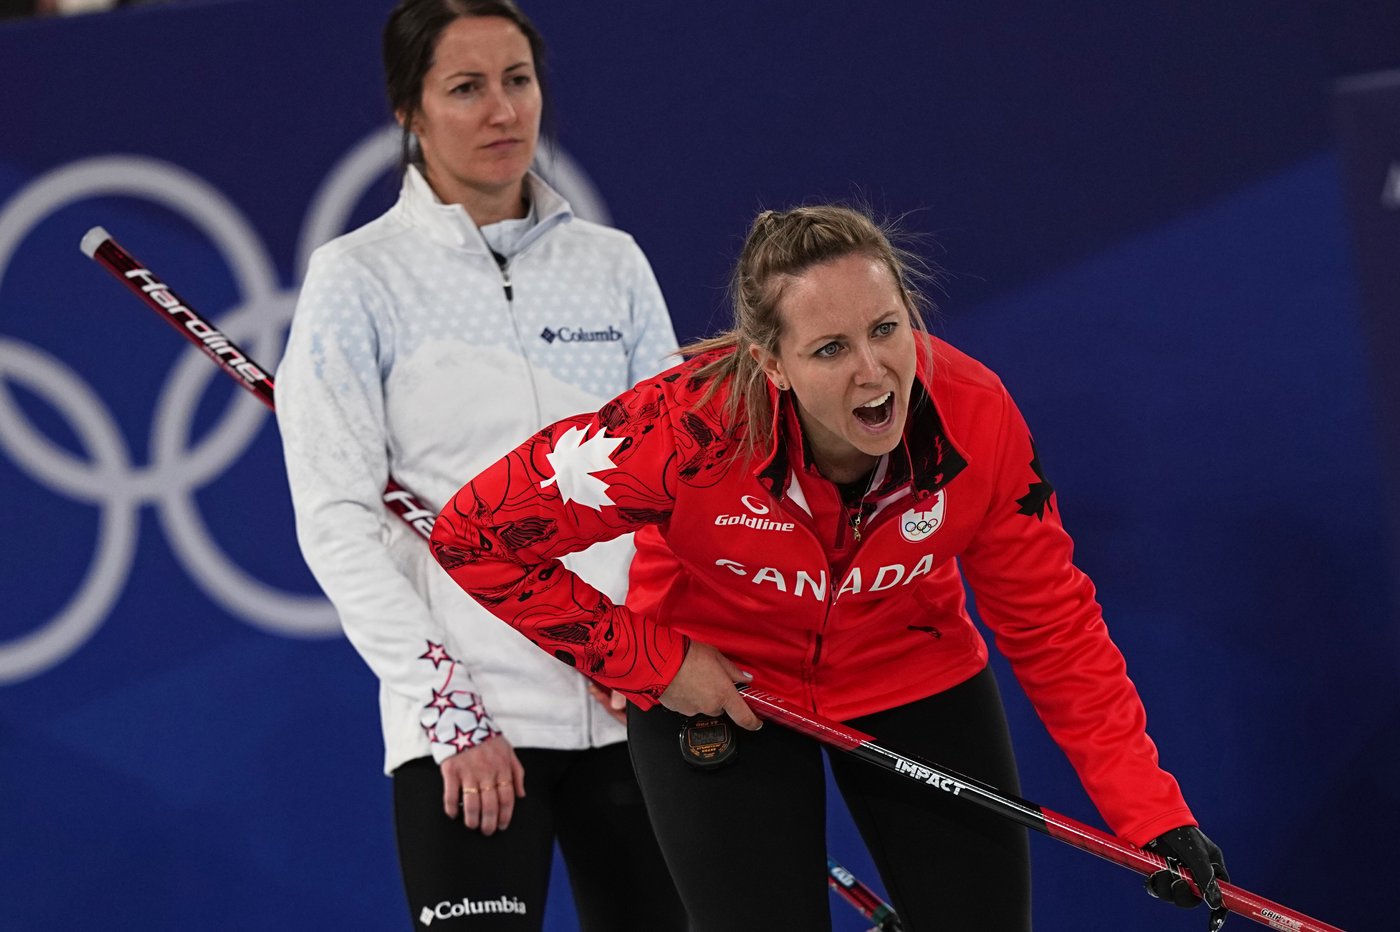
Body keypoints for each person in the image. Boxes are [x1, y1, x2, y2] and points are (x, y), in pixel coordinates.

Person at [429, 204, 1231, 931]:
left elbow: (1054, 625)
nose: (873, 372)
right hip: (719, 687)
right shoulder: (680, 431)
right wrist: (650, 661)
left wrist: (1149, 814)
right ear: (772, 364)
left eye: (887, 329)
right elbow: (473, 536)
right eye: (829, 349)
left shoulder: (977, 416)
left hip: (914, 672)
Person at [275, 1, 686, 929]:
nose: (503, 111)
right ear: (409, 114)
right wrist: (448, 708)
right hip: (469, 732)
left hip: (624, 702)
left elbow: (677, 483)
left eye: (518, 80)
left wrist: (650, 644)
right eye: (466, 88)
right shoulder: (358, 279)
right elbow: (336, 520)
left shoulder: (613, 266)